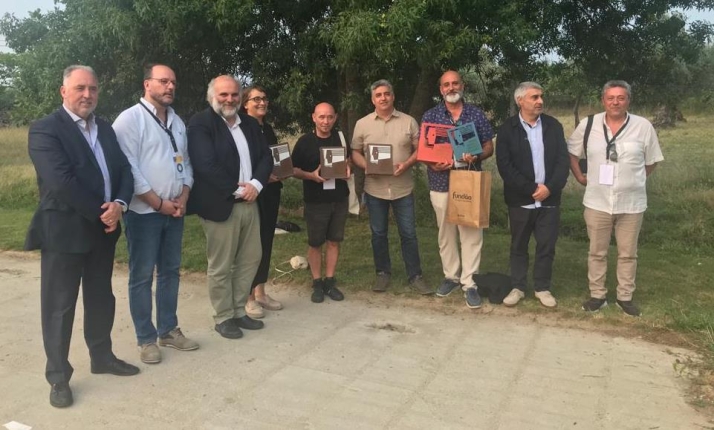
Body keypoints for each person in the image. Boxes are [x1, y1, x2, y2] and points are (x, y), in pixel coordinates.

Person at [25, 65, 139, 408]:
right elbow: (60, 182)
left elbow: (123, 170)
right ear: (64, 91)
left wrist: (119, 203)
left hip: (104, 231)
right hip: (64, 232)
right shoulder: (46, 130)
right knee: (59, 308)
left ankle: (101, 356)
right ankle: (58, 377)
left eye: (92, 88)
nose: (87, 94)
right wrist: (103, 211)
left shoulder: (104, 128)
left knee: (102, 298)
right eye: (80, 88)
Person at [113, 64, 198, 364]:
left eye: (173, 82)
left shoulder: (177, 121)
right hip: (143, 213)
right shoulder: (130, 119)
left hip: (174, 210)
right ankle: (146, 339)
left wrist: (184, 195)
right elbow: (129, 170)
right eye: (163, 81)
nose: (170, 87)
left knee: (171, 271)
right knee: (141, 276)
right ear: (147, 84)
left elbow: (185, 163)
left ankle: (168, 330)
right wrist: (158, 203)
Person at [568, 80, 663, 317]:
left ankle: (625, 298)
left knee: (628, 253)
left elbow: (651, 162)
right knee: (597, 252)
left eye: (621, 98)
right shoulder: (588, 124)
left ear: (628, 100)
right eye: (611, 98)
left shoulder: (643, 126)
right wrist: (580, 175)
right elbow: (572, 153)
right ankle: (597, 296)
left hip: (631, 203)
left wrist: (633, 178)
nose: (615, 102)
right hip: (597, 201)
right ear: (603, 100)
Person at [187, 75, 272, 339]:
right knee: (221, 265)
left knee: (250, 259)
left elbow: (265, 156)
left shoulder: (248, 123)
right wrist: (240, 189)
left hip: (250, 202)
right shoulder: (201, 123)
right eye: (224, 95)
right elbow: (205, 164)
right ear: (212, 96)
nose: (229, 99)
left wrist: (256, 185)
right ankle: (223, 316)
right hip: (221, 205)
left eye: (234, 94)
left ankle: (238, 311)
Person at [421, 70, 494, 308]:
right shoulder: (430, 115)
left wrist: (477, 155)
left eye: (455, 83)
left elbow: (488, 146)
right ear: (441, 89)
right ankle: (451, 276)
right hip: (440, 182)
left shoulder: (476, 114)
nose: (451, 88)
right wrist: (433, 162)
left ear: (462, 85)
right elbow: (424, 151)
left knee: (471, 233)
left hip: (469, 180)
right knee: (446, 233)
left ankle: (470, 282)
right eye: (446, 85)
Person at [351, 80, 430, 295]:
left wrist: (407, 164)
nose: (383, 98)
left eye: (387, 94)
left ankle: (415, 276)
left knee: (409, 234)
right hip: (374, 189)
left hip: (403, 187)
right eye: (378, 95)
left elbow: (420, 149)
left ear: (393, 96)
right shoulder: (362, 124)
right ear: (373, 99)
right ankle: (382, 273)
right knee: (378, 234)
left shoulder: (409, 122)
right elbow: (355, 152)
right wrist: (366, 165)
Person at [495, 82, 569, 308]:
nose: (540, 101)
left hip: (549, 200)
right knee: (518, 245)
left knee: (546, 246)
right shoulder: (507, 129)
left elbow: (562, 162)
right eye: (534, 97)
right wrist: (530, 189)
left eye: (541, 96)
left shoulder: (553, 126)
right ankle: (517, 287)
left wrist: (549, 188)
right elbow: (505, 167)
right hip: (520, 201)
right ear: (520, 101)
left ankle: (542, 287)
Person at [291, 102, 348, 303]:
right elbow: (293, 169)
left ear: (335, 118)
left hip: (339, 198)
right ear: (314, 117)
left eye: (330, 117)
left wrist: (347, 170)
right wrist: (311, 176)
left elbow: (348, 161)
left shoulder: (340, 137)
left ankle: (330, 280)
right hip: (316, 201)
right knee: (315, 243)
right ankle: (317, 282)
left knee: (334, 241)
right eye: (321, 117)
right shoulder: (305, 141)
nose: (326, 121)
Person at [240, 85, 284, 319]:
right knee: (251, 246)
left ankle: (260, 292)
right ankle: (247, 298)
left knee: (266, 240)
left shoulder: (267, 129)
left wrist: (282, 171)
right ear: (245, 103)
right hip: (252, 194)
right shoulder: (240, 128)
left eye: (265, 99)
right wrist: (262, 176)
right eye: (256, 99)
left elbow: (275, 158)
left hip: (271, 192)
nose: (262, 102)